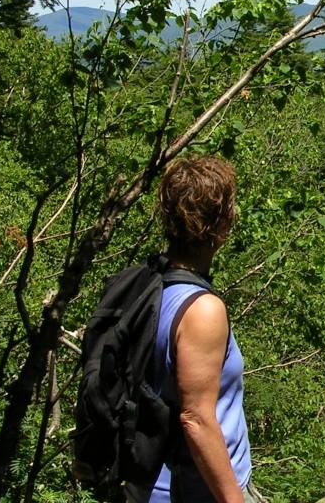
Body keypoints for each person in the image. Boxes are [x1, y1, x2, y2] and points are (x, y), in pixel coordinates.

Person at [125, 155, 256, 503]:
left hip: (152, 480)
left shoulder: (149, 282)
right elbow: (195, 418)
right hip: (191, 492)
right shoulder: (202, 311)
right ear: (223, 223)